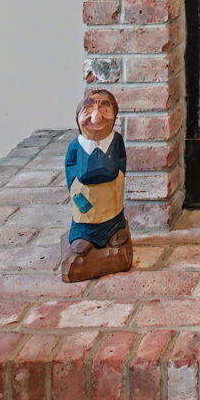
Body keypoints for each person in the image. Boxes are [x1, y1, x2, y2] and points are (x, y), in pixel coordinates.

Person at [60, 87, 134, 282]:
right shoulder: (76, 146)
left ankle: (114, 230)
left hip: (111, 201)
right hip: (86, 204)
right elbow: (71, 174)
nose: (96, 118)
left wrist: (117, 183)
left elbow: (121, 162)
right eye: (89, 110)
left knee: (113, 218)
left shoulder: (116, 140)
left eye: (105, 109)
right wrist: (78, 197)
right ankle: (84, 235)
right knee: (85, 223)